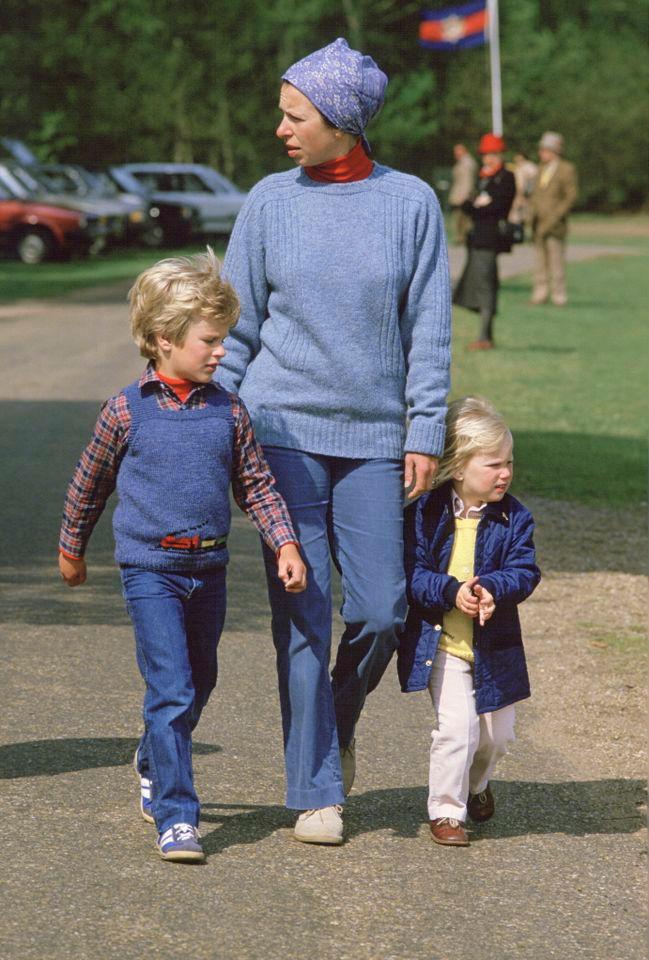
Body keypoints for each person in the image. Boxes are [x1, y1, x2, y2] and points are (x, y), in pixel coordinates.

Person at [218, 37, 451, 846]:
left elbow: (429, 328)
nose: (280, 129)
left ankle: (332, 729)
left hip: (376, 439)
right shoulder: (267, 203)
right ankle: (315, 786)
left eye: (295, 116)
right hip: (278, 431)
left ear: (342, 123)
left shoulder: (411, 203)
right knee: (304, 612)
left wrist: (424, 427)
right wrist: (223, 425)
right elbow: (235, 330)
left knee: (384, 609)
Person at [57, 249, 307, 864]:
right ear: (164, 341)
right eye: (210, 341)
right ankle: (175, 814)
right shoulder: (125, 409)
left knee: (201, 680)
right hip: (150, 571)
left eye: (223, 340)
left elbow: (256, 486)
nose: (221, 351)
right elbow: (90, 483)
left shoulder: (229, 411)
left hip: (209, 569)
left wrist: (286, 541)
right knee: (169, 688)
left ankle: (152, 752)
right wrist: (72, 546)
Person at [399, 396, 541, 846]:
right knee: (456, 730)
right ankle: (446, 810)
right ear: (458, 467)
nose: (506, 473)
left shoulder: (515, 517)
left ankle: (477, 786)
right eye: (494, 464)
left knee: (497, 736)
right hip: (443, 645)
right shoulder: (425, 513)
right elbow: (414, 575)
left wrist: (494, 588)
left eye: (509, 463)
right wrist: (450, 591)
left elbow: (526, 571)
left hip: (494, 648)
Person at [452, 133, 516, 351]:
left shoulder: (506, 177)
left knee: (486, 286)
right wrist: (476, 206)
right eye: (485, 154)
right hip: (477, 237)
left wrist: (478, 206)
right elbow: (471, 206)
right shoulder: (484, 177)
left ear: (499, 154)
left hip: (490, 239)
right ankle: (485, 335)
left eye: (491, 154)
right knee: (479, 284)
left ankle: (484, 337)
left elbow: (496, 207)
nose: (487, 158)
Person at [528, 131, 578, 306]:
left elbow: (570, 196)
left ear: (554, 151)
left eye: (544, 149)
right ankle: (540, 293)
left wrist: (557, 215)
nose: (541, 153)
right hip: (538, 222)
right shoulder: (540, 169)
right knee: (539, 261)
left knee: (556, 262)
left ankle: (559, 295)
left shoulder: (566, 169)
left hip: (555, 224)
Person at [449, 143, 478, 244]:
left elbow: (467, 181)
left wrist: (464, 196)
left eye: (457, 151)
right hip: (460, 194)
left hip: (463, 195)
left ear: (464, 151)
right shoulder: (462, 162)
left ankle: (462, 238)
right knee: (459, 218)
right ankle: (461, 238)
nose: (455, 154)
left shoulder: (467, 163)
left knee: (463, 219)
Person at [509, 150, 538, 226]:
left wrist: (525, 194)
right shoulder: (517, 167)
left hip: (526, 197)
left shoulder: (529, 167)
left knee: (524, 218)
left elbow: (532, 182)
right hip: (517, 196)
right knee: (516, 219)